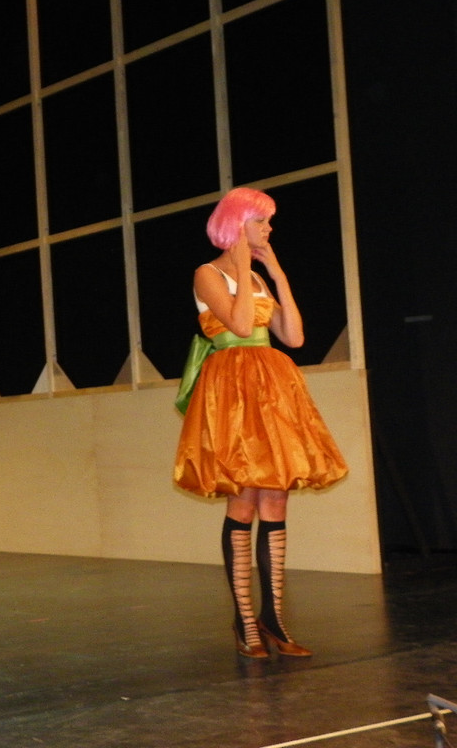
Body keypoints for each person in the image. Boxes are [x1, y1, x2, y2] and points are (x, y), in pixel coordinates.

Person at [173, 187, 348, 659]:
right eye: (260, 221)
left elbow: (293, 336)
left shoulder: (257, 277)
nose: (269, 229)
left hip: (271, 386)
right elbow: (238, 323)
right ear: (237, 224)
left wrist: (276, 274)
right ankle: (245, 620)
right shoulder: (207, 273)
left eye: (268, 222)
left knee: (275, 496)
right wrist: (240, 265)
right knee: (244, 496)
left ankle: (274, 618)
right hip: (233, 387)